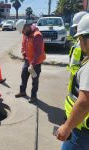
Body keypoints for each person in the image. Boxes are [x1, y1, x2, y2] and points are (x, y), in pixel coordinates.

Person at [56, 14, 89, 150]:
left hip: (81, 131)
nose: (79, 43)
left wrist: (67, 127)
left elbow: (84, 102)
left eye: (80, 39)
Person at [15, 20, 46, 103]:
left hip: (36, 62)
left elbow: (38, 52)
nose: (23, 33)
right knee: (23, 75)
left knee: (34, 80)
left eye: (23, 31)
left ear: (26, 27)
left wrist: (32, 64)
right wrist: (23, 53)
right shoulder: (25, 34)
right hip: (27, 60)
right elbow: (23, 45)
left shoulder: (37, 36)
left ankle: (33, 96)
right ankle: (22, 92)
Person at [67, 11, 88, 93]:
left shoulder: (86, 43)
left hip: (82, 82)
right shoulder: (79, 41)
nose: (76, 30)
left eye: (77, 27)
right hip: (76, 79)